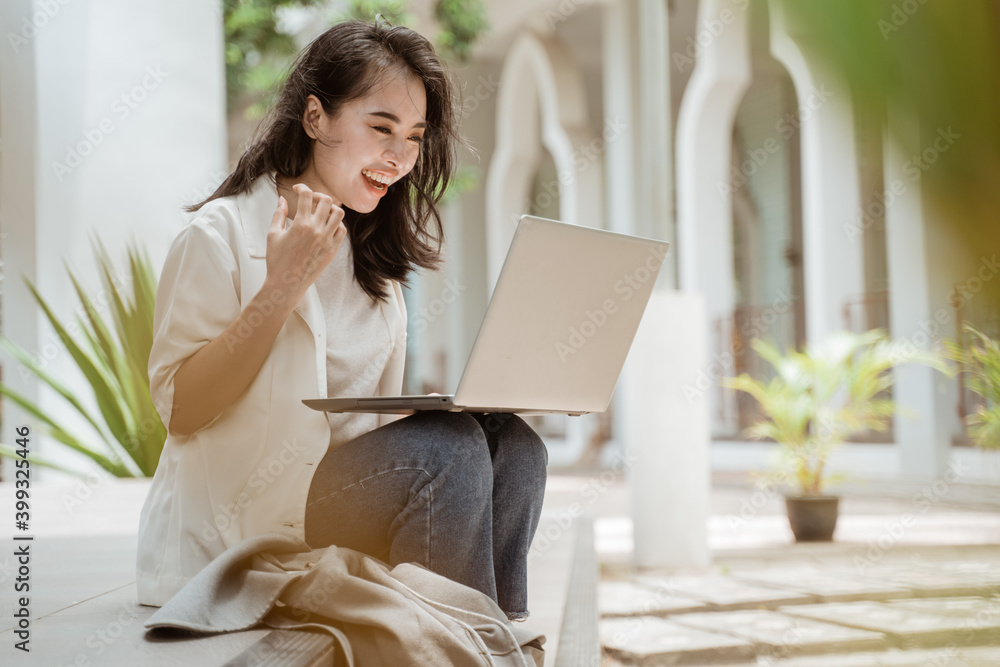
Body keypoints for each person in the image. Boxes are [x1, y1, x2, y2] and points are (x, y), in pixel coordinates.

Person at [136, 20, 548, 623]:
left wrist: (446, 411)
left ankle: (490, 637)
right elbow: (181, 409)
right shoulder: (219, 235)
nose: (400, 156)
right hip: (244, 521)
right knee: (450, 451)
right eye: (380, 128)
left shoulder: (373, 261)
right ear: (314, 118)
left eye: (413, 136)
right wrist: (281, 287)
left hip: (333, 502)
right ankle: (464, 648)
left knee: (513, 444)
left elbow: (370, 430)